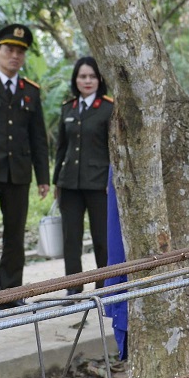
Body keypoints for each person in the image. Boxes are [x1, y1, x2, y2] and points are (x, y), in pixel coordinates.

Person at [0, 24, 50, 310]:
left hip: (18, 172)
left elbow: (38, 137)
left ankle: (9, 295)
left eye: (20, 51)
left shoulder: (30, 91)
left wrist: (43, 177)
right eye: (9, 50)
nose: (14, 56)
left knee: (15, 234)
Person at [52, 56, 113, 292]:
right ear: (75, 80)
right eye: (82, 76)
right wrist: (56, 181)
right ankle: (73, 288)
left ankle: (104, 286)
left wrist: (112, 180)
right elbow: (61, 148)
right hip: (69, 184)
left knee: (102, 239)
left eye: (92, 76)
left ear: (100, 80)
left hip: (99, 184)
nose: (87, 81)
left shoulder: (108, 108)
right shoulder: (68, 107)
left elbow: (114, 150)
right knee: (71, 240)